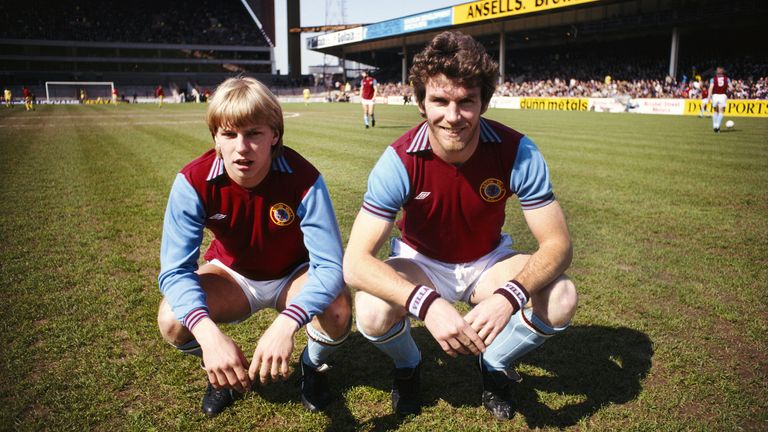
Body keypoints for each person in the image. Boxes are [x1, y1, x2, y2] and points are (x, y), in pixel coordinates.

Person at [343, 31, 577, 420]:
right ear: (420, 102)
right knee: (370, 310)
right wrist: (427, 304)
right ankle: (408, 366)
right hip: (422, 263)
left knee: (561, 298)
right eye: (439, 101)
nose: (453, 116)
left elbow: (558, 245)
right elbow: (355, 263)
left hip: (488, 262)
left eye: (466, 101)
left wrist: (509, 297)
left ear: (483, 101)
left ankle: (495, 364)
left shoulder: (518, 150)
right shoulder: (398, 160)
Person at [157, 76, 352, 417]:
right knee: (173, 321)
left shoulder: (303, 177)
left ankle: (310, 367)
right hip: (232, 276)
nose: (241, 147)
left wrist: (287, 324)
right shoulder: (192, 182)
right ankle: (221, 374)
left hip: (294, 275)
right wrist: (209, 337)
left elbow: (331, 266)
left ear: (274, 134)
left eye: (253, 134)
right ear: (216, 136)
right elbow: (175, 272)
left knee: (337, 311)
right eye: (229, 134)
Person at [708, 66, 731, 132]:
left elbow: (711, 88)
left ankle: (714, 125)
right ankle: (718, 125)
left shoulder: (713, 79)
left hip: (715, 95)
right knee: (721, 111)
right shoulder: (727, 79)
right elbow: (731, 88)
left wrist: (709, 97)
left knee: (715, 111)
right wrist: (729, 91)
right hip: (723, 95)